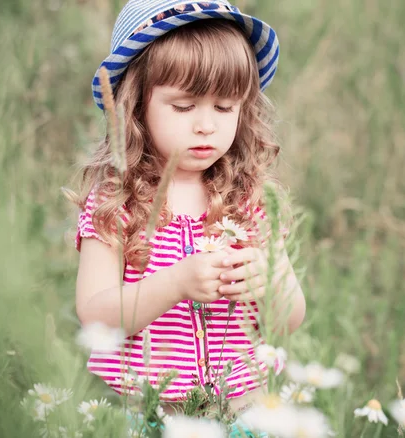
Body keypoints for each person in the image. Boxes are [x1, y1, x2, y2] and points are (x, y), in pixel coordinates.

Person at [73, 0, 306, 435]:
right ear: (135, 104)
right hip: (147, 412)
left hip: (238, 411)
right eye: (184, 107)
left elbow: (290, 317)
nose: (206, 126)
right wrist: (177, 283)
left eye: (224, 108)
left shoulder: (248, 200)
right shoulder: (117, 203)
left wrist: (267, 280)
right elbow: (94, 315)